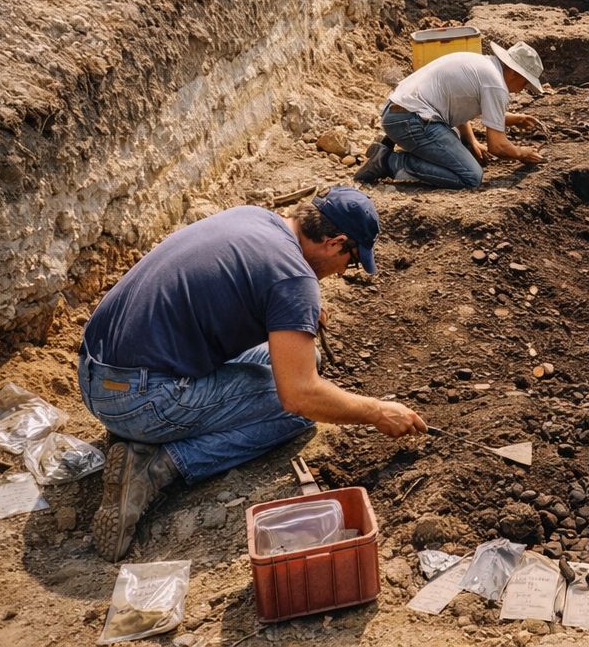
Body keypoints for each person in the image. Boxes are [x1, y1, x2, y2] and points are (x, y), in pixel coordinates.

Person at [78, 187, 427, 561]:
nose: (343, 272)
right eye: (351, 262)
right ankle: (158, 466)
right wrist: (376, 411)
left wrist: (292, 314)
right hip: (139, 398)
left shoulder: (257, 219)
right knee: (296, 413)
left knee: (305, 367)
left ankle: (147, 431)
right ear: (336, 242)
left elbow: (234, 294)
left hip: (95, 373)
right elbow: (299, 396)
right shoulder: (293, 278)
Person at [355, 41, 545, 190]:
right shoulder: (496, 84)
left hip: (398, 114)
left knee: (457, 142)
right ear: (513, 72)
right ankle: (389, 162)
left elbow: (459, 106)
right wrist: (522, 153)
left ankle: (394, 145)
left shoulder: (481, 64)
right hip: (413, 121)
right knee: (471, 177)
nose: (521, 91)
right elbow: (497, 146)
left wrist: (472, 140)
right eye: (525, 83)